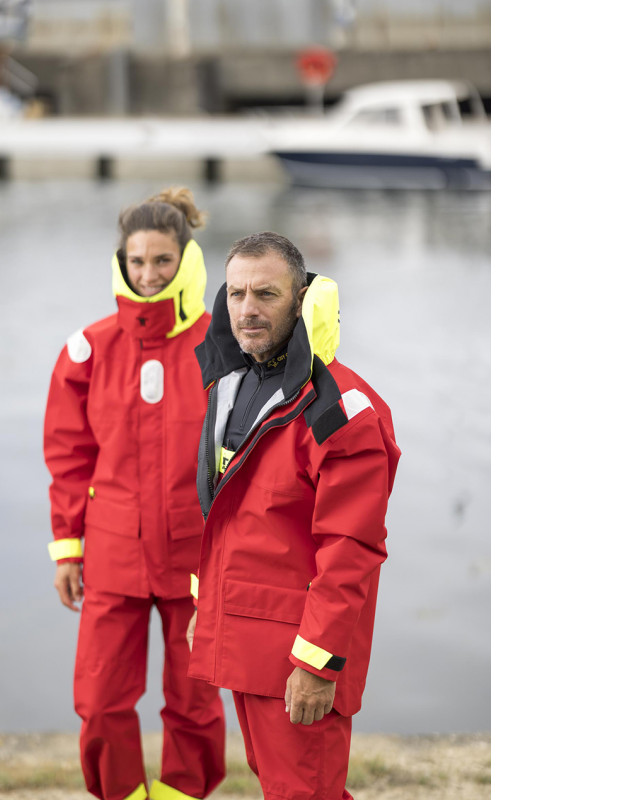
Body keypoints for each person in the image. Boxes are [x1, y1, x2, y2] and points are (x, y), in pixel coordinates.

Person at [187, 231, 401, 800]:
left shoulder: (339, 410)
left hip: (296, 655)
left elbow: (350, 550)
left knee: (303, 792)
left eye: (267, 294)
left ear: (302, 298)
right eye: (236, 294)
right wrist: (206, 607)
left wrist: (317, 664)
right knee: (284, 788)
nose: (247, 310)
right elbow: (228, 519)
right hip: (247, 637)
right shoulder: (231, 387)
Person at [44, 187, 226, 800]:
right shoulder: (87, 351)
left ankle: (182, 794)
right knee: (100, 700)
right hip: (112, 553)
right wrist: (68, 549)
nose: (149, 274)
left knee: (195, 702)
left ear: (186, 260)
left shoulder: (221, 349)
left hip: (195, 558)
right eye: (137, 261)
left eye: (163, 261)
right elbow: (69, 458)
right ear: (121, 261)